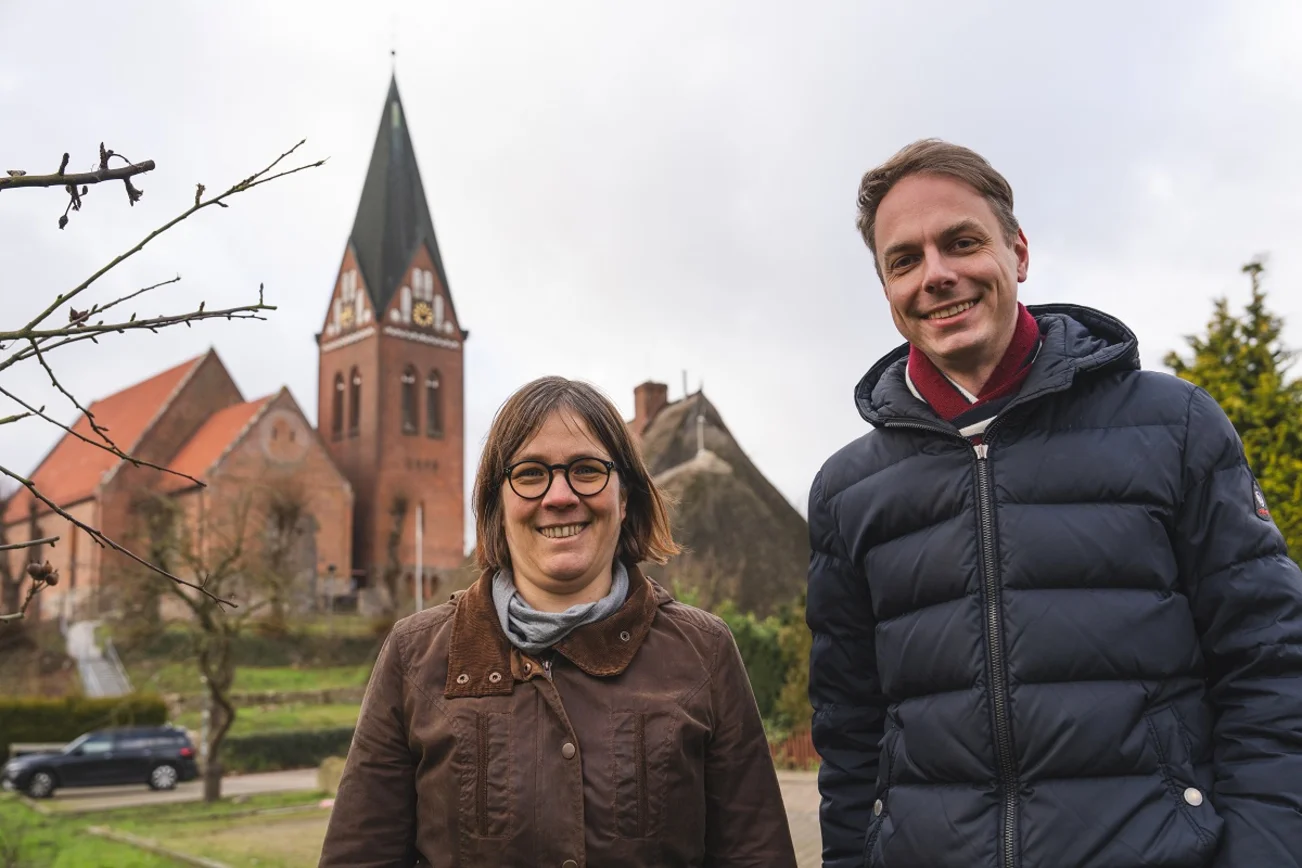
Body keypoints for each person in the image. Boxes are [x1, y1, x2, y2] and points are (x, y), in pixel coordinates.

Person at [807, 139, 1302, 867]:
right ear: (886, 290)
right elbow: (850, 737)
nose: (937, 275)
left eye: (962, 242)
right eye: (904, 260)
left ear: (1019, 252)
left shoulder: (1174, 426)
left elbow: (1271, 667)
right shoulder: (848, 492)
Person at [320, 376, 797, 868]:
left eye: (586, 470)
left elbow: (756, 855)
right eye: (530, 474)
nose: (560, 495)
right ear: (496, 502)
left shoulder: (703, 652)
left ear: (625, 496)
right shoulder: (416, 656)